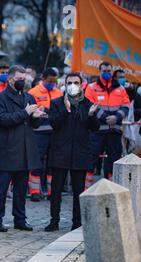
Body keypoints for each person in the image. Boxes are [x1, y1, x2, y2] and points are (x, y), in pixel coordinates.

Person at [0, 65, 46, 232]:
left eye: (24, 79)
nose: (22, 82)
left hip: (25, 149)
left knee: (21, 189)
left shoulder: (29, 97)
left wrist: (36, 117)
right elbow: (2, 119)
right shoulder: (0, 98)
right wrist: (25, 112)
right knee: (0, 188)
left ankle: (20, 218)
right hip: (7, 149)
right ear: (11, 79)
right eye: (19, 79)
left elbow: (33, 124)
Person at [45, 73, 100, 232]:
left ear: (82, 85)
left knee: (78, 191)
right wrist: (66, 110)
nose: (73, 85)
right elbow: (54, 123)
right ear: (65, 84)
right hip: (60, 152)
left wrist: (91, 115)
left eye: (76, 82)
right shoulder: (57, 103)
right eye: (70, 82)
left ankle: (77, 222)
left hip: (80, 153)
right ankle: (54, 221)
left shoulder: (88, 104)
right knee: (56, 190)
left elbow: (94, 127)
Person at [86, 61, 130, 180]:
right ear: (99, 72)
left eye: (109, 71)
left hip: (115, 130)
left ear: (112, 72)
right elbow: (89, 104)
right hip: (97, 130)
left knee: (113, 160)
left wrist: (116, 117)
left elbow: (126, 106)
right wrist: (105, 117)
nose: (107, 73)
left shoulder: (120, 88)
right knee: (91, 158)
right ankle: (86, 189)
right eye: (104, 71)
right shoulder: (91, 87)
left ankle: (110, 187)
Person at [28, 68, 63, 202]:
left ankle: (51, 191)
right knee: (37, 162)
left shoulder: (59, 92)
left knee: (53, 164)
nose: (52, 84)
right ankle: (35, 192)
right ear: (43, 78)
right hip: (38, 134)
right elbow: (30, 112)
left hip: (55, 133)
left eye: (54, 81)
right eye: (50, 81)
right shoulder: (33, 92)